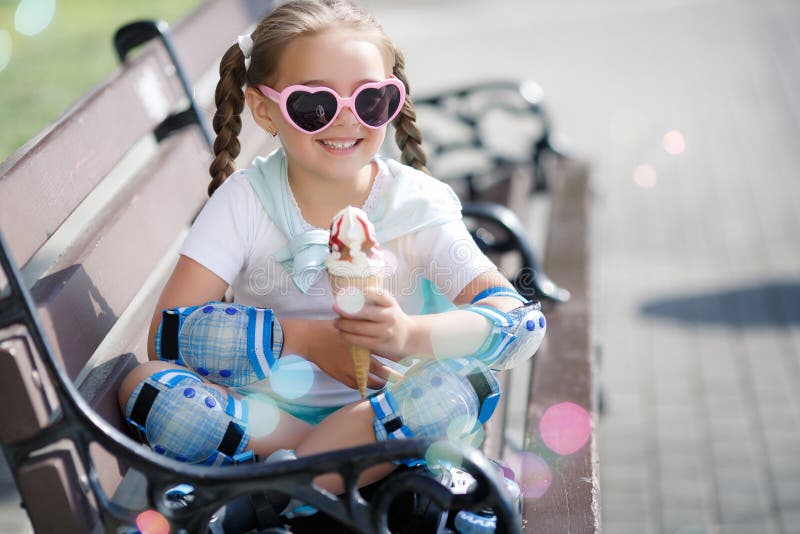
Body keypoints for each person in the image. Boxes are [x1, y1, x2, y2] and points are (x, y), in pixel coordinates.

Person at [117, 0, 544, 498]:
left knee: (466, 384)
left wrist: (407, 333)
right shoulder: (245, 202)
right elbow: (168, 336)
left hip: (387, 413)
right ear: (265, 109)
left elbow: (519, 322)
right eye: (314, 105)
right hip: (272, 421)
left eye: (371, 101)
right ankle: (327, 478)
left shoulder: (414, 204)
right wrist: (303, 340)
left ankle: (280, 492)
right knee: (146, 385)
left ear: (394, 100)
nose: (345, 122)